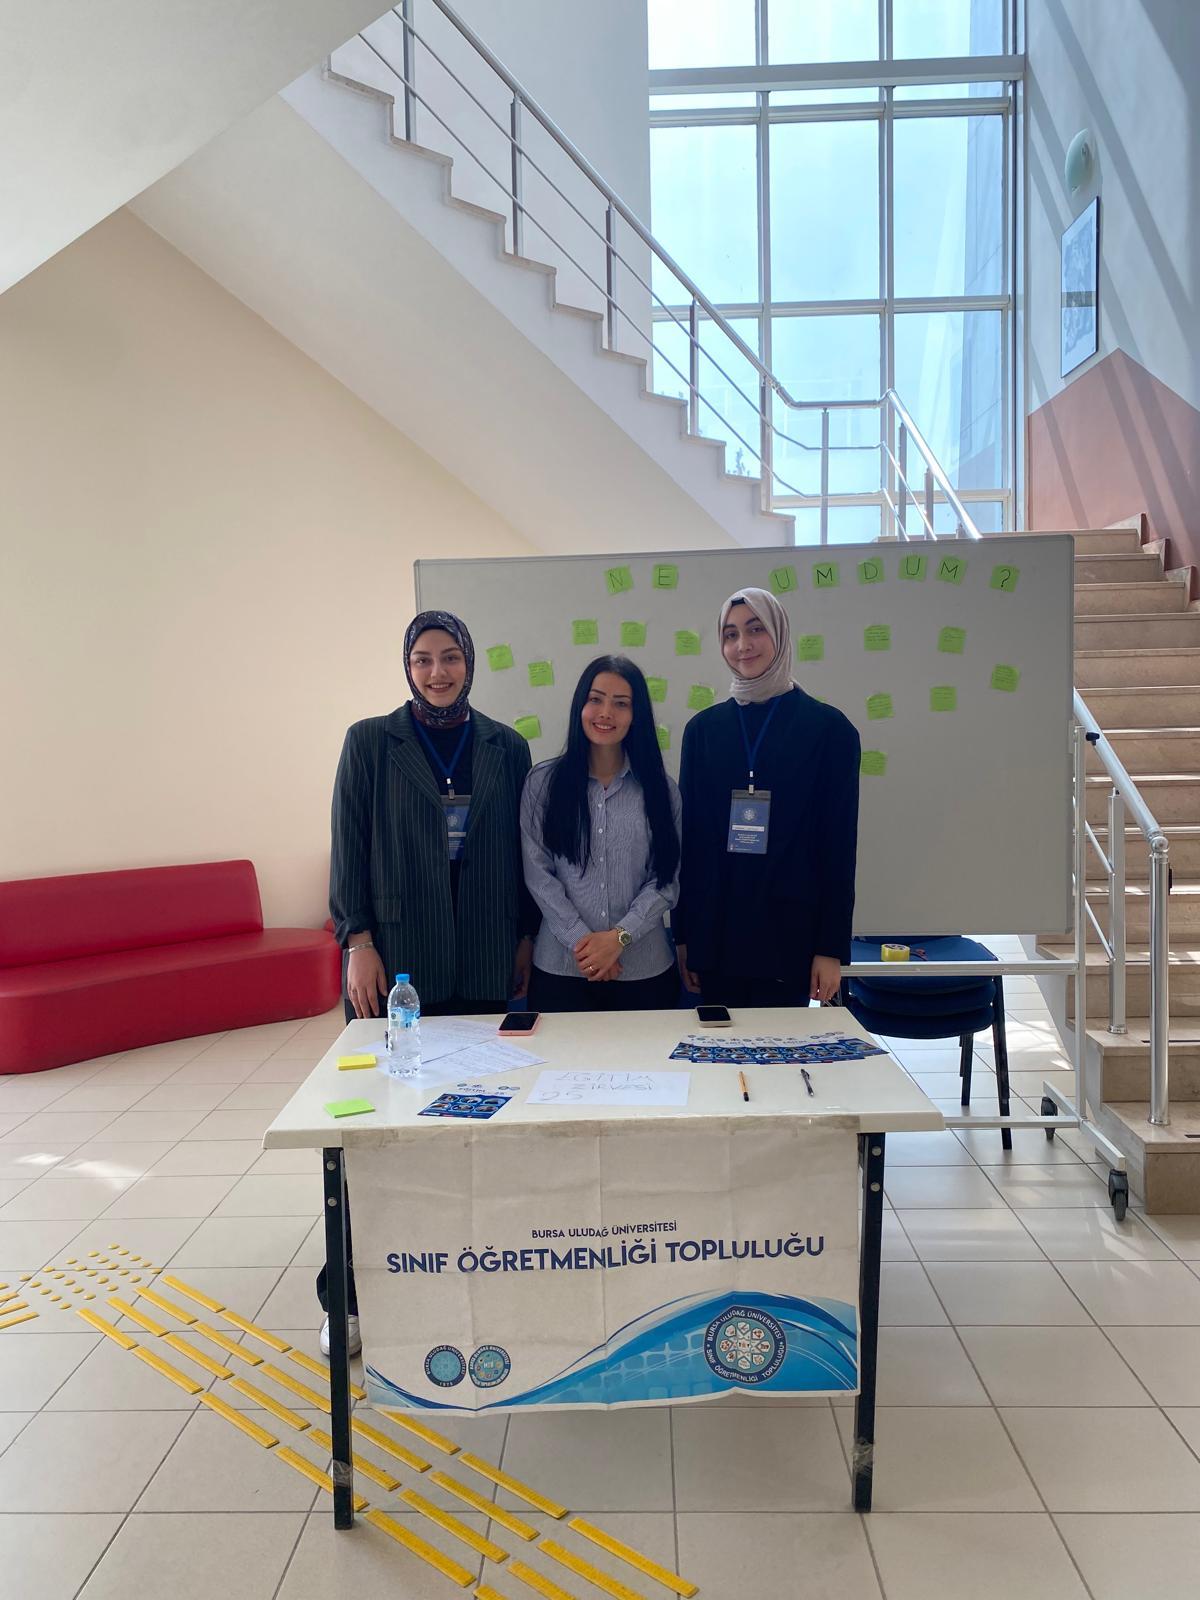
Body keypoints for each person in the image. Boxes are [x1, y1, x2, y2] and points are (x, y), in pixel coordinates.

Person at [320, 608, 537, 1351]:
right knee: (378, 1133)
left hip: (482, 957)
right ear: (407, 667)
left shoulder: (507, 746)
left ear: (470, 663)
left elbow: (520, 853)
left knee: (480, 1125)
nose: (437, 672)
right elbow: (347, 846)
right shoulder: (370, 742)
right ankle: (347, 1298)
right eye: (423, 659)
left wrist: (524, 936)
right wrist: (357, 940)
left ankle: (467, 1271)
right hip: (397, 967)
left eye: (450, 657)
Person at [673, 586, 860, 1009]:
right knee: (717, 1047)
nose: (743, 644)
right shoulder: (702, 731)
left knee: (781, 1049)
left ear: (779, 633)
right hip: (715, 935)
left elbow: (838, 847)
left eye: (756, 629)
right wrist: (683, 935)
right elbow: (691, 843)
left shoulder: (830, 731)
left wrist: (831, 948)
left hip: (790, 937)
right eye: (731, 634)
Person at [521, 655, 682, 1011]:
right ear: (580, 705)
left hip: (644, 972)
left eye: (621, 704)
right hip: (561, 972)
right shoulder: (542, 784)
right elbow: (539, 875)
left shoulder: (661, 790)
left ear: (636, 715)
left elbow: (666, 880)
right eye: (595, 699)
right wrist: (585, 943)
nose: (606, 713)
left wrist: (619, 939)